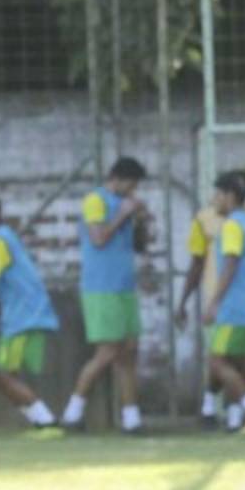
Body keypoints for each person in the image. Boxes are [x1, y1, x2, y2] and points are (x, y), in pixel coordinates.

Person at [61, 156, 148, 433]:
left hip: (125, 286)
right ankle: (73, 411)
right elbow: (98, 238)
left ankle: (132, 418)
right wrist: (122, 214)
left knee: (129, 351)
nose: (133, 191)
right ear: (117, 179)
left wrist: (140, 221)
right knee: (108, 352)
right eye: (131, 184)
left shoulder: (125, 204)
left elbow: (140, 246)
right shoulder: (95, 201)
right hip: (101, 287)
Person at [0, 192, 60, 428]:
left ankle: (48, 422)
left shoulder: (0, 242)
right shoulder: (4, 238)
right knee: (4, 376)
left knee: (2, 375)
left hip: (24, 316)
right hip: (24, 314)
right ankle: (41, 422)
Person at [204, 172, 245, 433]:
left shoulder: (232, 226)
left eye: (217, 195)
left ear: (229, 196)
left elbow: (231, 263)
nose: (214, 201)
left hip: (236, 307)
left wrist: (214, 301)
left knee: (217, 361)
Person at [176, 195, 227, 428]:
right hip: (216, 298)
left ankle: (238, 409)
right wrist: (183, 302)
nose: (217, 199)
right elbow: (197, 262)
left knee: (242, 357)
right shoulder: (203, 220)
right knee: (220, 355)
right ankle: (210, 406)